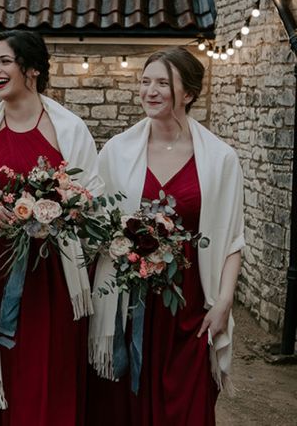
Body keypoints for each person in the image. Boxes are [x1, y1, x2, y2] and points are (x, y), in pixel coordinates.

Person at [0, 30, 102, 425]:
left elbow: (92, 199)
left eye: (4, 61)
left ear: (31, 69)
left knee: (41, 371)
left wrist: (58, 214)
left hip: (49, 277)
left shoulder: (68, 129)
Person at [88, 48, 244, 425]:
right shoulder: (116, 152)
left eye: (162, 83)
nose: (150, 91)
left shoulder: (220, 159)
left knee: (187, 406)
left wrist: (222, 303)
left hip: (189, 303)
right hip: (129, 302)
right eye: (145, 82)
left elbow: (232, 239)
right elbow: (97, 226)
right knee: (124, 406)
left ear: (187, 93)